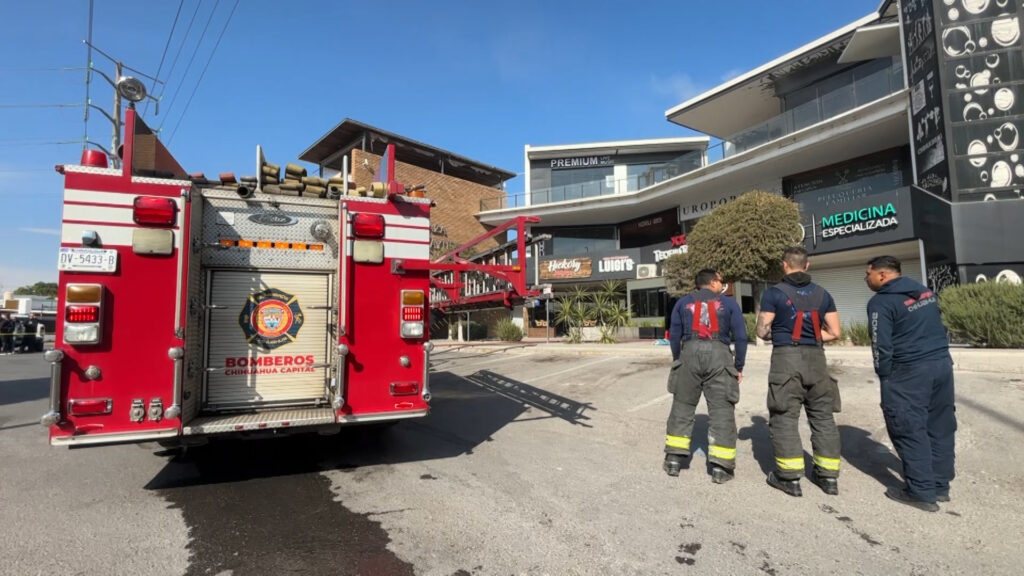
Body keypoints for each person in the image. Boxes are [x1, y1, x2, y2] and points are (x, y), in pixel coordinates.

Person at [865, 255, 955, 512]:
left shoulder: (881, 302)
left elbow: (880, 345)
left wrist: (885, 376)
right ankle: (940, 485)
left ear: (882, 274)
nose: (866, 279)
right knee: (939, 425)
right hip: (941, 365)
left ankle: (921, 492)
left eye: (868, 274)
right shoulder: (924, 292)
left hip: (908, 372)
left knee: (908, 427)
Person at [756, 246, 843, 497]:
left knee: (784, 416)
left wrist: (780, 334)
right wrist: (812, 336)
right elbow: (835, 332)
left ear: (784, 265)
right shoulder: (823, 294)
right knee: (823, 417)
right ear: (807, 265)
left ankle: (789, 479)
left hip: (786, 359)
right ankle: (828, 478)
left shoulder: (774, 293)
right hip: (817, 359)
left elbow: (762, 331)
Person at [664, 268, 748, 484]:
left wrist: (678, 360)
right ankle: (721, 468)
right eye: (720, 281)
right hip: (720, 356)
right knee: (722, 410)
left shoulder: (682, 303)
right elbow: (740, 336)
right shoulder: (729, 304)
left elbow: (674, 335)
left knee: (682, 406)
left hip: (688, 354)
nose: (722, 285)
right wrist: (738, 366)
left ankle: (673, 460)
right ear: (712, 283)